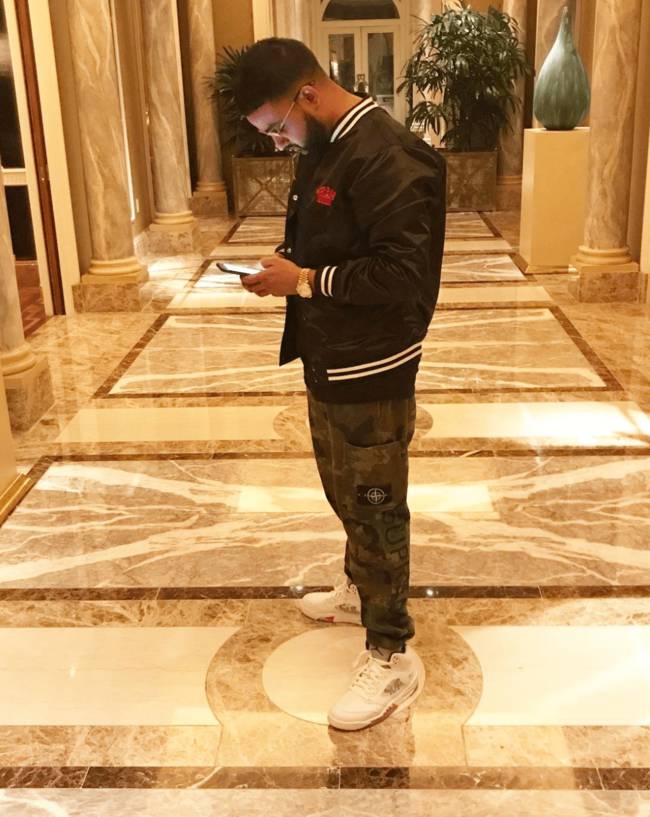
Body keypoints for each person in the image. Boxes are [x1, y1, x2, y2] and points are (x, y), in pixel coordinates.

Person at [232, 38, 446, 731]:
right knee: (346, 489)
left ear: (308, 94)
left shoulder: (389, 155)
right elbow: (330, 241)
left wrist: (303, 280)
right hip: (331, 355)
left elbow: (402, 275)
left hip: (373, 368)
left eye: (277, 127)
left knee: (378, 506)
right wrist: (286, 264)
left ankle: (392, 654)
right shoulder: (326, 147)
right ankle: (361, 587)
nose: (277, 141)